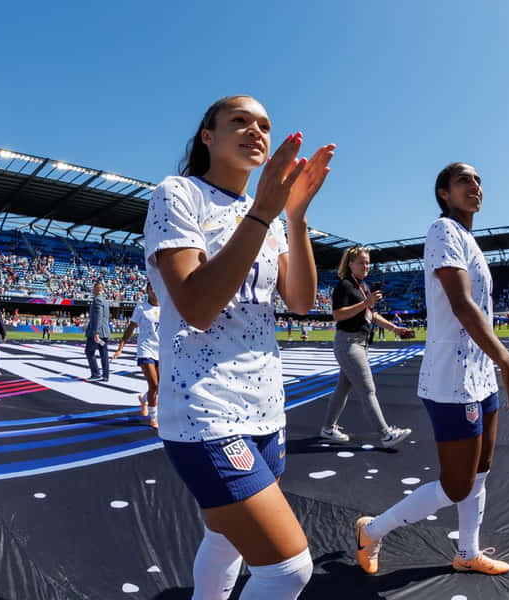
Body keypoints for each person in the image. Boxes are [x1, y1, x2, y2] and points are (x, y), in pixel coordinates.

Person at [144, 95, 334, 599]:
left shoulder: (268, 215)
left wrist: (293, 217)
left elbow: (299, 300)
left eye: (265, 125)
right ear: (208, 136)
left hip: (266, 408)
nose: (256, 131)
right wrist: (263, 214)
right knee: (288, 569)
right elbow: (197, 306)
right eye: (240, 121)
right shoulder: (178, 194)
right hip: (206, 410)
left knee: (224, 538)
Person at [355, 162, 509, 577]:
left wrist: (493, 365)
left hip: (479, 374)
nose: (474, 186)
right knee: (456, 485)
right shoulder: (443, 231)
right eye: (463, 180)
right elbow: (461, 303)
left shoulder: (468, 238)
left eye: (478, 180)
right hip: (452, 380)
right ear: (443, 193)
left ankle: (467, 554)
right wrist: (506, 360)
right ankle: (372, 530)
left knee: (481, 471)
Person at [319, 246, 414, 448]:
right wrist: (365, 303)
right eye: (361, 262)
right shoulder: (344, 286)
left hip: (360, 343)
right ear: (350, 264)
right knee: (367, 389)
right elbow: (338, 314)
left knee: (342, 388)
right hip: (348, 343)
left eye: (368, 262)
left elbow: (371, 315)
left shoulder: (364, 287)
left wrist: (394, 328)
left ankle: (328, 428)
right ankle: (386, 434)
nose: (366, 266)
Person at [112, 281, 160, 425]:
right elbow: (131, 328)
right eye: (152, 289)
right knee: (154, 385)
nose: (155, 291)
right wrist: (121, 347)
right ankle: (153, 417)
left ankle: (143, 399)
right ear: (148, 291)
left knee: (160, 386)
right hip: (146, 349)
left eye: (157, 288)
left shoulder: (167, 306)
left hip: (161, 350)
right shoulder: (141, 307)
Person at [85, 281, 110, 381]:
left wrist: (96, 333)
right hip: (104, 332)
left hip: (96, 332)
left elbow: (98, 317)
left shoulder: (97, 300)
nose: (92, 290)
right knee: (104, 354)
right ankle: (105, 375)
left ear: (96, 290)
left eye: (93, 288)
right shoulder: (104, 300)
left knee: (89, 352)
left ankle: (96, 373)